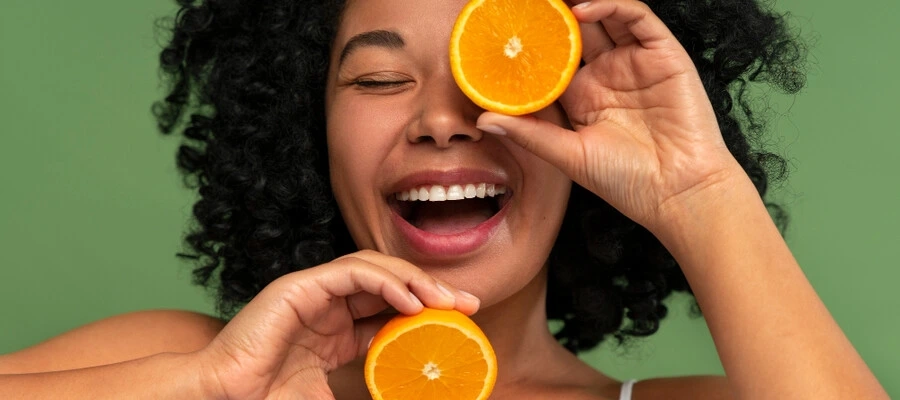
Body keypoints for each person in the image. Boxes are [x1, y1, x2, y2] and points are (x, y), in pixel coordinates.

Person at [0, 0, 889, 398]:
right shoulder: (186, 365)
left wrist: (697, 190)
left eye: (495, 76)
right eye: (380, 78)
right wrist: (202, 390)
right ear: (304, 126)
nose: (438, 120)